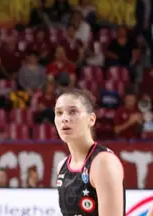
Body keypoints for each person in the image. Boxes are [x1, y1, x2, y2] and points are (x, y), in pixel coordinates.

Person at [55, 88, 125, 216]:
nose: (64, 118)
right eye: (59, 113)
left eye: (73, 111)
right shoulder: (62, 166)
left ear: (91, 119)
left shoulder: (103, 162)